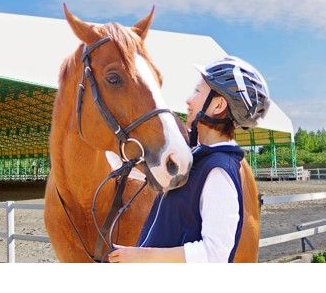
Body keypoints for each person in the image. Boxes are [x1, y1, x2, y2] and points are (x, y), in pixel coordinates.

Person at [108, 56, 270, 263]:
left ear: (218, 105)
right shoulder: (199, 158)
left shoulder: (218, 171)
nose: (188, 100)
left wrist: (143, 256)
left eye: (197, 91)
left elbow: (216, 254)